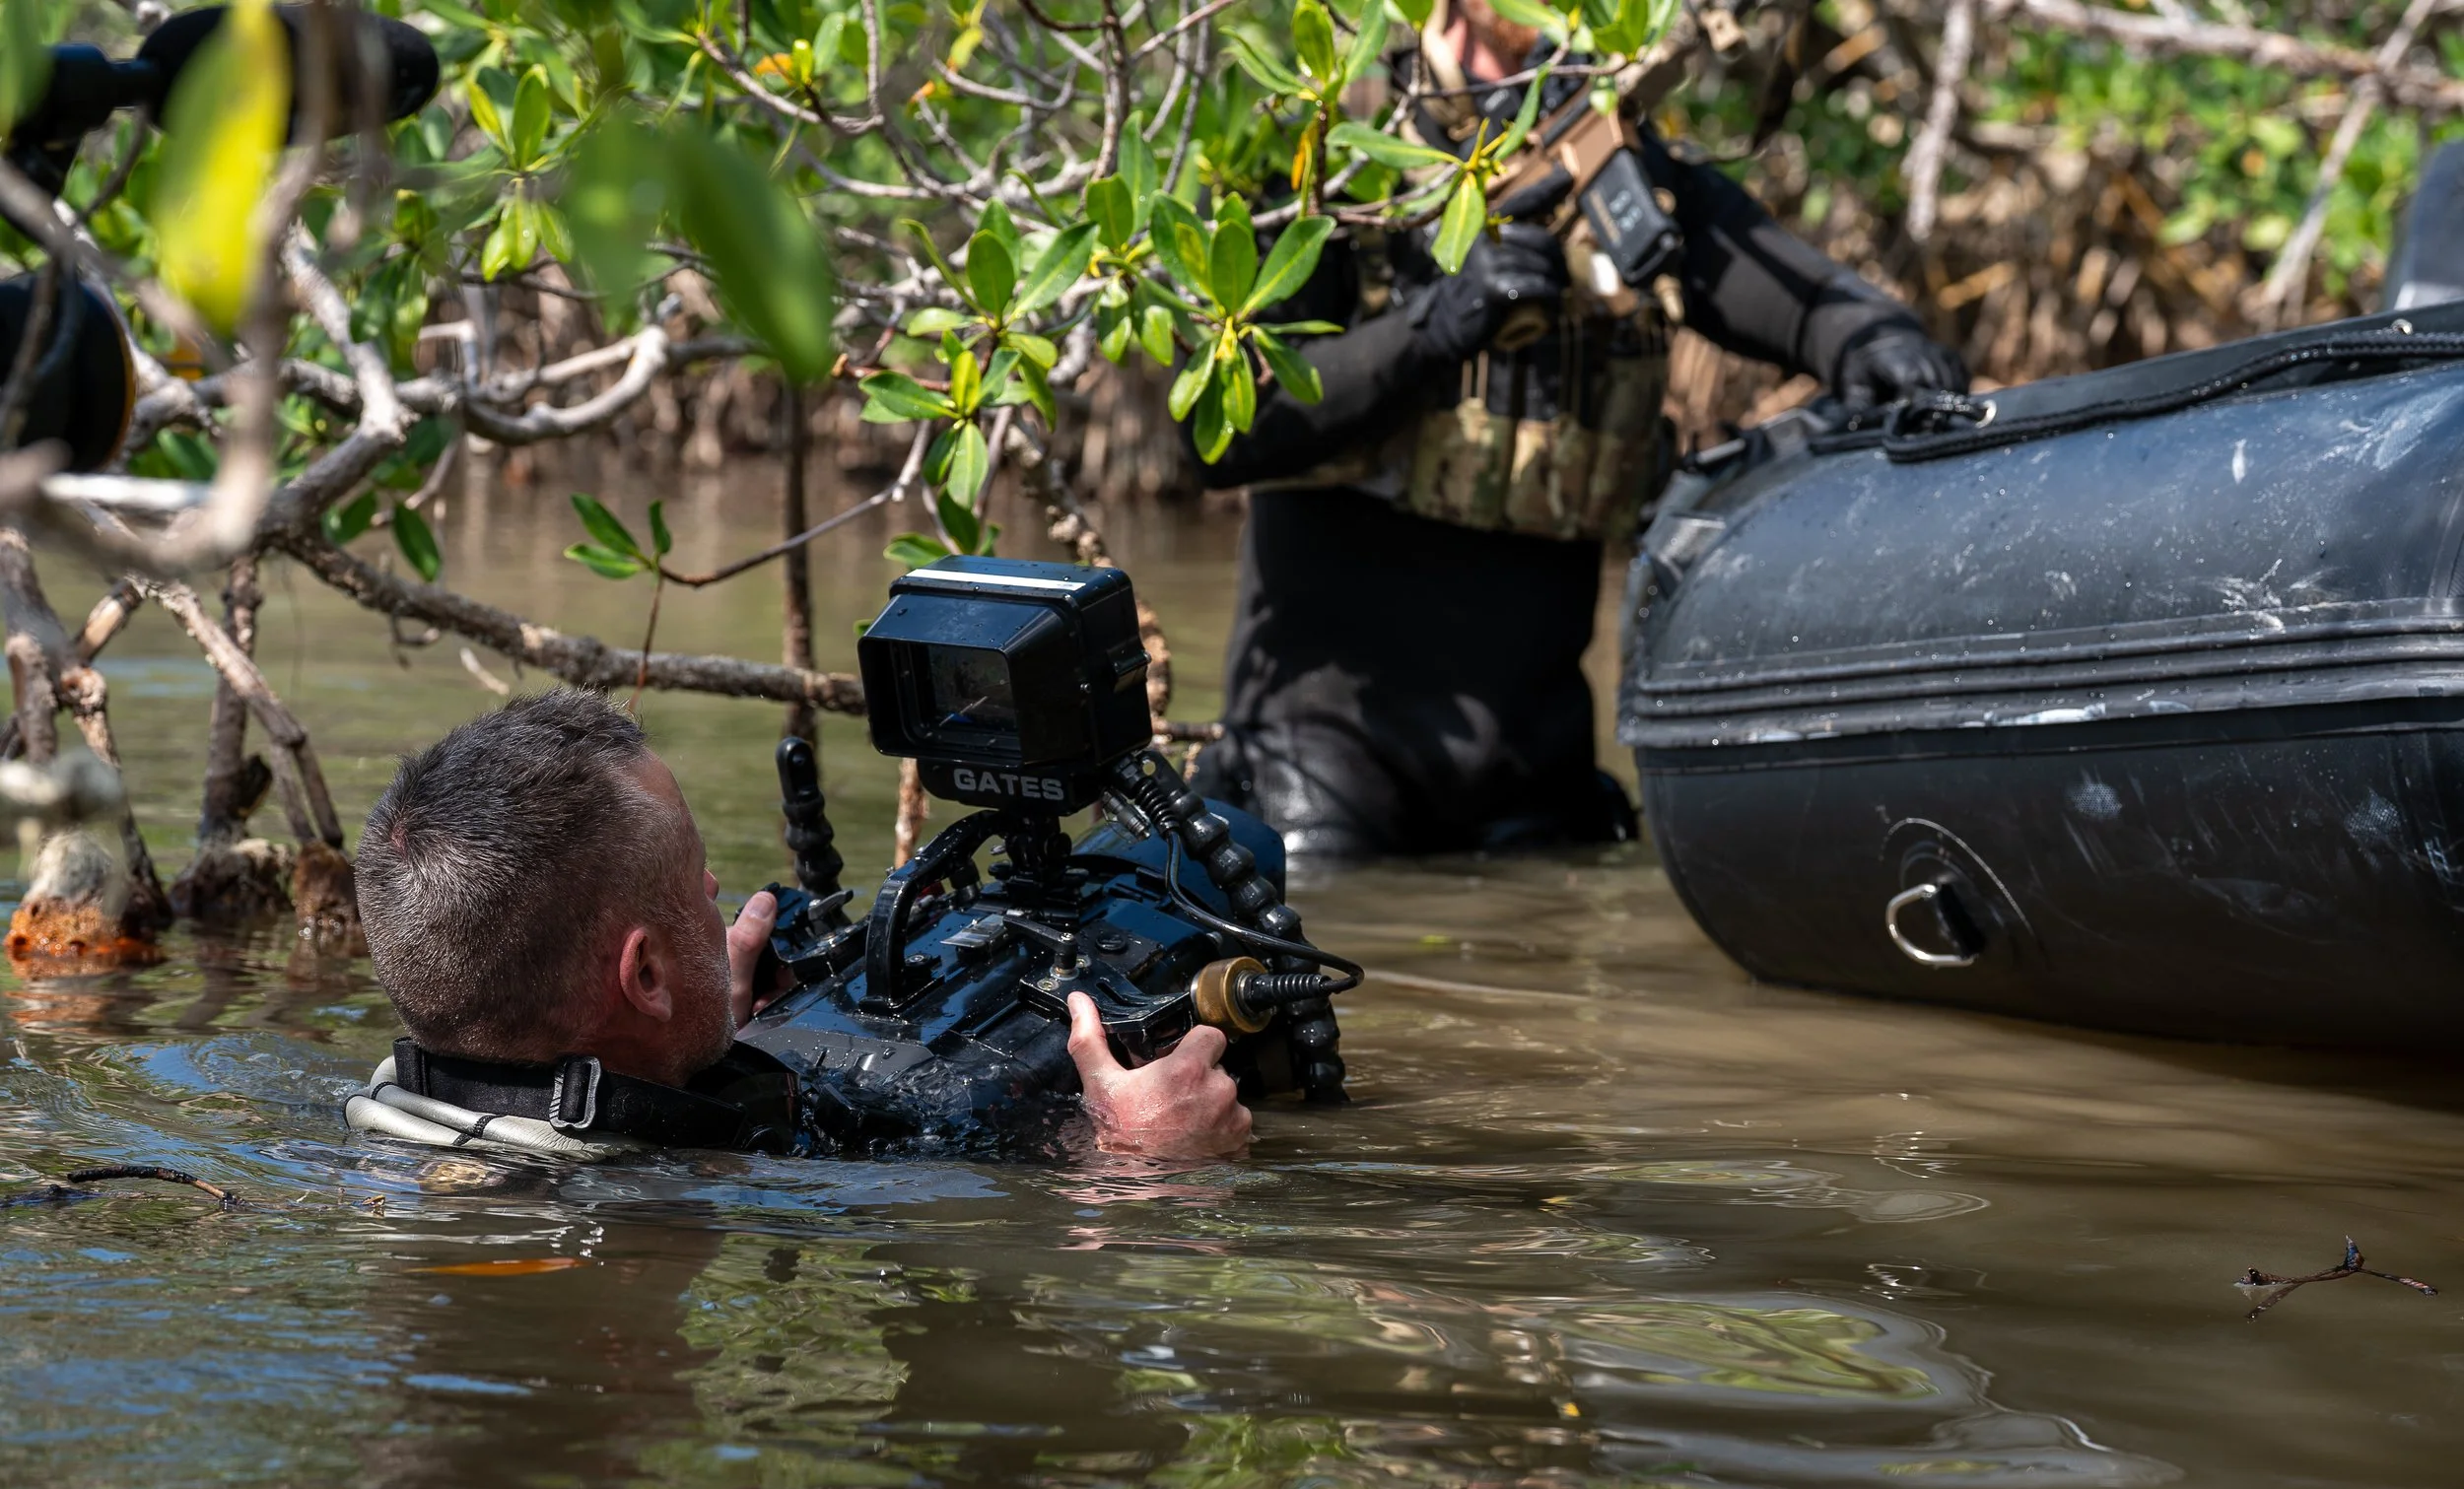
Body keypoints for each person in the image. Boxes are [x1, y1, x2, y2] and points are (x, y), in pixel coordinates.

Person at [1191, 0, 1968, 856]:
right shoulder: (1329, 154)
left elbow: (1819, 305)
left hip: (1536, 762)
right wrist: (1435, 327)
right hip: (1329, 757)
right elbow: (1221, 433)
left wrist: (1888, 347)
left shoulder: (1611, 163)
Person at [345, 690, 1250, 1162]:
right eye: (691, 889)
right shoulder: (632, 1214)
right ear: (643, 978)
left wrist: (693, 1043)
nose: (713, 888)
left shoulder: (365, 1150)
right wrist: (1144, 1172)